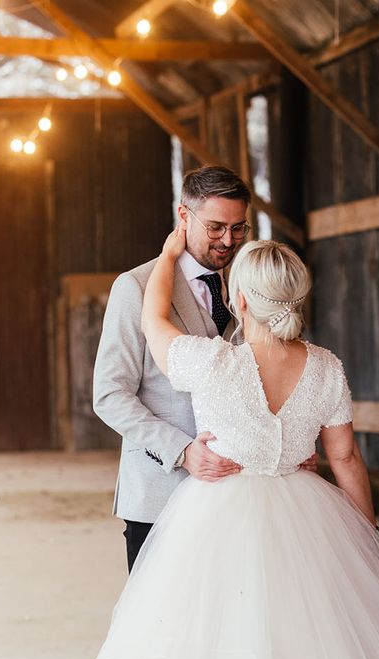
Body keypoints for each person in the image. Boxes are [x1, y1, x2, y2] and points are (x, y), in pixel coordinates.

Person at [75, 229, 379, 659]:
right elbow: (346, 458)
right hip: (306, 508)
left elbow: (152, 321)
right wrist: (369, 543)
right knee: (316, 640)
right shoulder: (327, 366)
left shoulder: (212, 362)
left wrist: (169, 255)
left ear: (241, 301)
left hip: (216, 511)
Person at [92, 165, 315, 573]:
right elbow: (109, 395)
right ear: (183, 217)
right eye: (215, 227)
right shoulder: (135, 287)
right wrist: (182, 451)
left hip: (244, 500)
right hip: (161, 497)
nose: (227, 241)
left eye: (237, 228)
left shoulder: (250, 287)